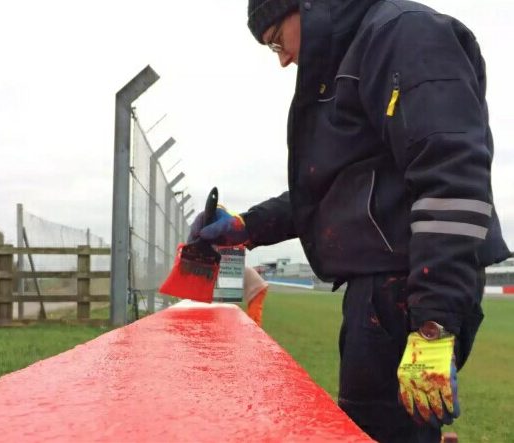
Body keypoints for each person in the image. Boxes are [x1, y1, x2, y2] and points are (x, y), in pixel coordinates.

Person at [189, 1, 510, 441]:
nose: (282, 59)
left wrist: (433, 323)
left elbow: (452, 176)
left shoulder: (402, 35)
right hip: (386, 287)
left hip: (408, 289)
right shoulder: (356, 54)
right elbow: (340, 191)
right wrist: (249, 225)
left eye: (277, 41)